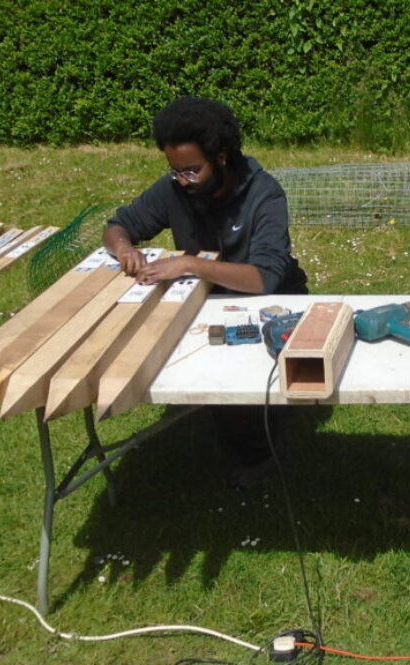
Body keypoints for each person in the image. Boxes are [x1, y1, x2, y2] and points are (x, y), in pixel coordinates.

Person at [103, 96, 308, 488]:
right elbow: (119, 224)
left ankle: (261, 452)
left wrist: (190, 264)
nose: (182, 181)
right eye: (175, 171)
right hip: (209, 297)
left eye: (192, 171)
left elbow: (264, 277)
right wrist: (124, 247)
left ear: (223, 157)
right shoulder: (176, 187)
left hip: (271, 300)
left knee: (239, 390)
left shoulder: (265, 194)